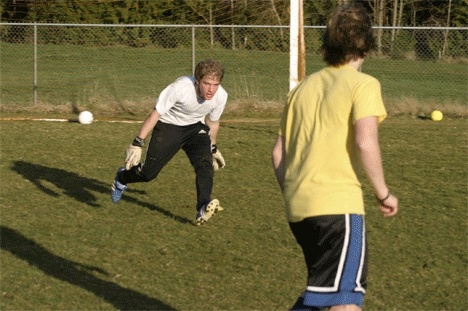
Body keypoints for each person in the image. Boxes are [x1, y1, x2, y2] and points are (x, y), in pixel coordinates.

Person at [271, 3, 399, 311]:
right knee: (345, 301)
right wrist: (383, 194)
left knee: (323, 293)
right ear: (367, 44)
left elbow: (278, 153)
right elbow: (366, 143)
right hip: (338, 209)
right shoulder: (364, 85)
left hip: (299, 209)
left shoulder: (301, 89)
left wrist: (296, 191)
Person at [111, 59, 227, 226]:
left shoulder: (221, 96)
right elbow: (155, 114)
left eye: (215, 84)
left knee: (205, 164)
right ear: (197, 81)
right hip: (169, 127)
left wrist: (213, 147)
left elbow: (213, 122)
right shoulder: (179, 88)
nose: (211, 90)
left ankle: (203, 206)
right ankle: (122, 177)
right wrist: (137, 143)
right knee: (148, 174)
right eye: (207, 84)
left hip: (195, 128)